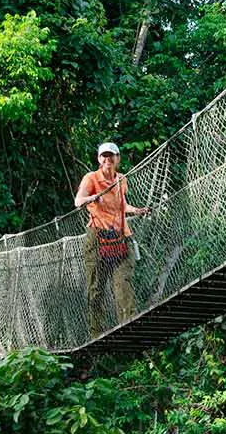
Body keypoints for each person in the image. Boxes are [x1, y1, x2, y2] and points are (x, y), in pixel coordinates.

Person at [74, 142, 149, 338]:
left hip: (121, 236)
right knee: (96, 287)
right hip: (97, 237)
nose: (108, 159)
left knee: (123, 282)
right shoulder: (91, 178)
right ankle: (97, 335)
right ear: (99, 159)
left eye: (111, 156)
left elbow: (122, 206)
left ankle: (128, 329)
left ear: (118, 159)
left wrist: (136, 210)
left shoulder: (122, 180)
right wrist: (91, 199)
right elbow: (78, 201)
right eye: (104, 156)